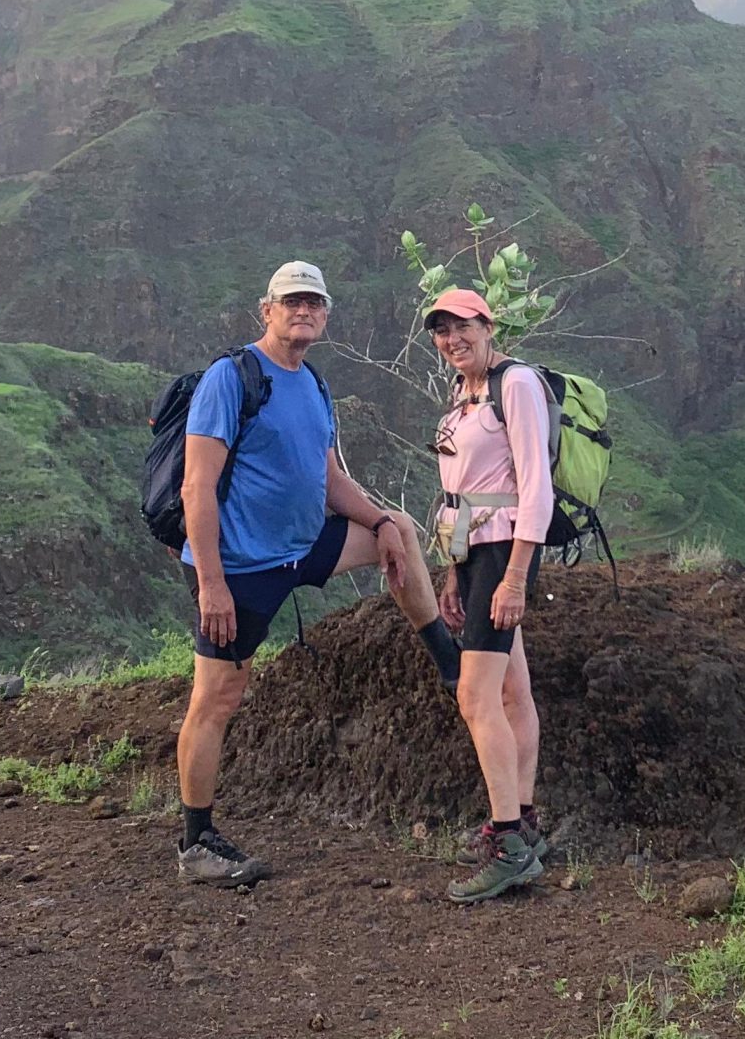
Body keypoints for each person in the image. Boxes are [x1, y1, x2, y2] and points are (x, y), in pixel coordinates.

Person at [175, 260, 461, 886]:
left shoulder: (313, 384)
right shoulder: (232, 378)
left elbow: (328, 479)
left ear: (325, 315)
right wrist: (212, 584)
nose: (302, 311)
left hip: (304, 546)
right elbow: (197, 487)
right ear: (267, 310)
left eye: (313, 303)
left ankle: (449, 662)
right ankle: (197, 843)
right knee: (218, 698)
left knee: (400, 530)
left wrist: (380, 520)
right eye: (291, 302)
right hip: (242, 566)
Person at [423, 287, 553, 903]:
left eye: (463, 327)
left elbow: (535, 488)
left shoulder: (515, 384)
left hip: (505, 552)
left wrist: (516, 578)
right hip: (474, 553)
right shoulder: (465, 392)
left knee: (475, 697)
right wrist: (454, 570)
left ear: (488, 325)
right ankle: (523, 822)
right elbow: (462, 491)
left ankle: (507, 847)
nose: (453, 339)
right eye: (441, 330)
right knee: (510, 691)